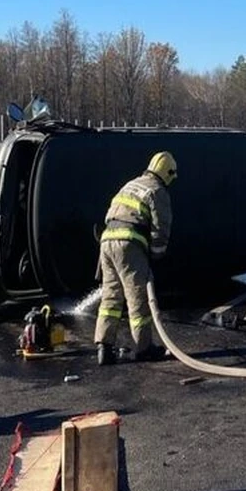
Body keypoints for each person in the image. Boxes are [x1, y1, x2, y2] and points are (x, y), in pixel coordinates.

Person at [94, 152, 176, 365]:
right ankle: (144, 347)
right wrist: (157, 254)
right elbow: (161, 227)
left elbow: (111, 213)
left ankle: (104, 346)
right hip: (129, 242)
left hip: (107, 240)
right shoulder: (157, 190)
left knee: (111, 297)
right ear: (167, 173)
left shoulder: (132, 184)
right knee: (137, 296)